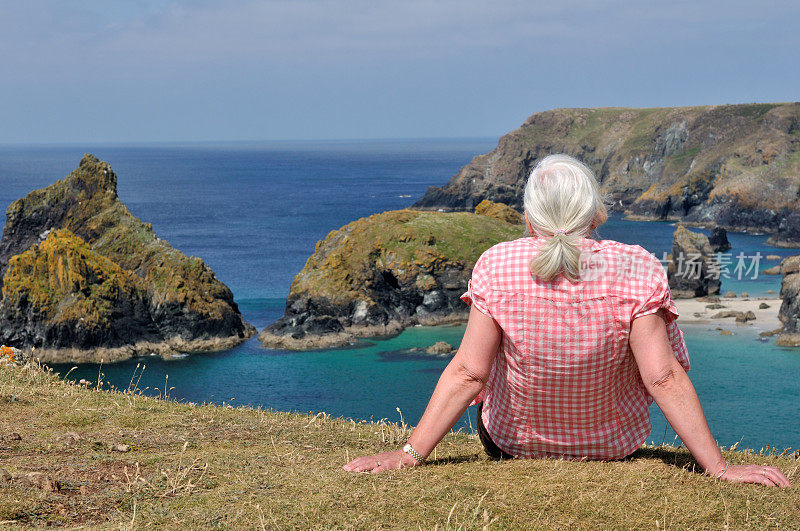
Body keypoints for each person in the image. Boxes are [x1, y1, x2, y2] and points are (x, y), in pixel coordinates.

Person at [343, 154, 790, 488]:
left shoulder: (496, 264)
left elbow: (469, 372)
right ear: (596, 214)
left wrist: (410, 453)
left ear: (528, 216)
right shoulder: (638, 266)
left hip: (511, 446)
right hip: (613, 449)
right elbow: (663, 377)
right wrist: (721, 468)